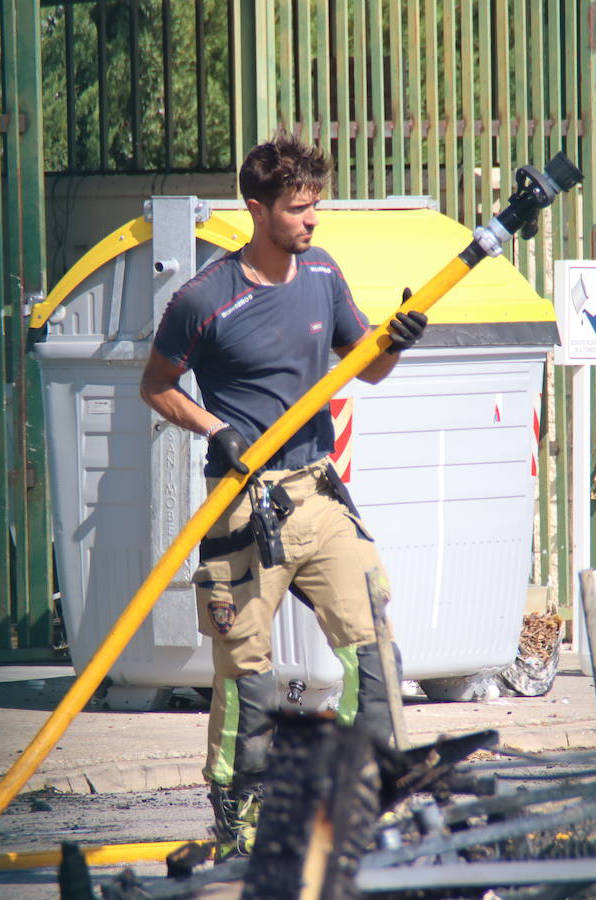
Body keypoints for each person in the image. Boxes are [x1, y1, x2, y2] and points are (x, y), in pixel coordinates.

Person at [139, 130, 428, 859]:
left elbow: (366, 369)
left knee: (374, 650)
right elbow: (156, 387)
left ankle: (372, 795)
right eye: (299, 208)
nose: (312, 220)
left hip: (317, 490)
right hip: (242, 503)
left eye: (316, 206)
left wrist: (395, 340)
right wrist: (214, 429)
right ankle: (241, 818)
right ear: (257, 209)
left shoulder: (323, 274)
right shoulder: (203, 298)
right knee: (248, 677)